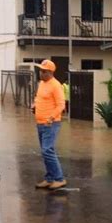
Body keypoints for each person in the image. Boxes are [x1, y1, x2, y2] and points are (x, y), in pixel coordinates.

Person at [32, 59, 67, 190]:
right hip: (40, 123)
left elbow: (61, 105)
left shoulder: (56, 85)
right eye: (40, 70)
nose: (40, 73)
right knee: (44, 152)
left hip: (50, 124)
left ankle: (59, 178)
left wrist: (51, 118)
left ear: (50, 72)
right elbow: (38, 97)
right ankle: (49, 178)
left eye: (43, 71)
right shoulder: (41, 83)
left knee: (48, 150)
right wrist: (34, 105)